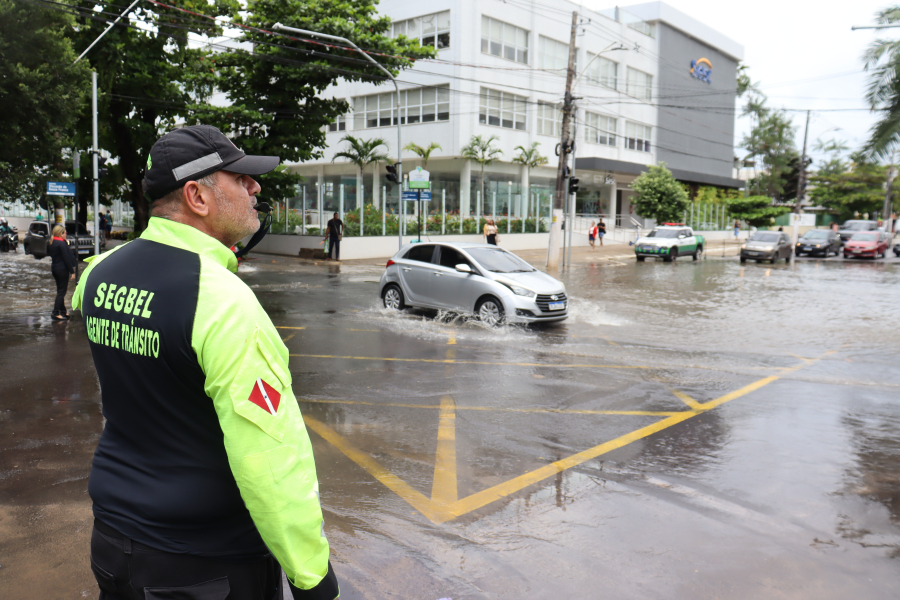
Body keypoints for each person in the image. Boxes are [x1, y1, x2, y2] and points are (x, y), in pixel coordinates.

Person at [72, 125, 339, 600]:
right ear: (197, 196)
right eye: (239, 178)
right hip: (204, 565)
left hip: (112, 544)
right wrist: (311, 574)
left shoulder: (99, 275)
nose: (255, 187)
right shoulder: (221, 301)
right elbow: (269, 456)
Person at [48, 224, 76, 320]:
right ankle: (55, 313)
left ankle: (63, 312)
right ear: (61, 233)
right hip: (62, 269)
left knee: (60, 291)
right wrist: (72, 272)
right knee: (61, 292)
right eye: (65, 233)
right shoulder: (62, 244)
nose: (66, 234)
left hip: (55, 269)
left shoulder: (52, 242)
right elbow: (66, 258)